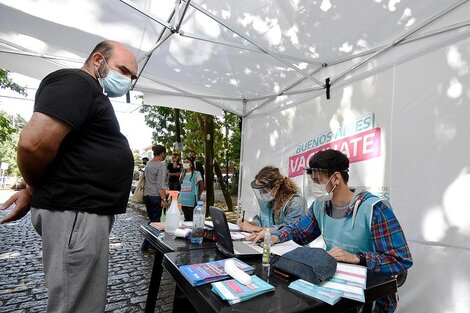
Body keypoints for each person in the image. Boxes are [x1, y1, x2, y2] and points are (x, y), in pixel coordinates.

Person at [0, 40, 137, 313]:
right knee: (76, 304)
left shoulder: (90, 92)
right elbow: (33, 144)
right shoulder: (76, 82)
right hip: (75, 212)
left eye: (132, 77)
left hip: (81, 213)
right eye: (123, 70)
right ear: (98, 60)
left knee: (82, 300)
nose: (128, 81)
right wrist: (31, 188)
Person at [248, 149, 413, 313]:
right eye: (312, 181)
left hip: (371, 297)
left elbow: (400, 260)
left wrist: (358, 258)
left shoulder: (374, 209)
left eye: (318, 180)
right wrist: (275, 236)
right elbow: (299, 231)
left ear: (336, 178)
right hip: (335, 287)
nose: (314, 187)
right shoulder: (320, 207)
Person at [237, 166, 307, 234]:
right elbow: (262, 220)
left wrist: (257, 229)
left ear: (276, 187)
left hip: (291, 245)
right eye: (259, 190)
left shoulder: (295, 203)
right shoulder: (271, 199)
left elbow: (289, 230)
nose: (261, 194)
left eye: (264, 190)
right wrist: (250, 224)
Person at [141, 144, 169, 252]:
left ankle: (145, 245)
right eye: (164, 153)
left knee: (152, 221)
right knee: (156, 222)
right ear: (162, 153)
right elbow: (160, 185)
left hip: (147, 195)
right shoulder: (161, 165)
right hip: (156, 196)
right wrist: (164, 199)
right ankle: (152, 247)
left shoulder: (148, 163)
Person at [179, 157, 204, 221]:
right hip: (183, 200)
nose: (185, 163)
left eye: (187, 162)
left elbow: (201, 185)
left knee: (192, 218)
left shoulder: (196, 173)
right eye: (184, 162)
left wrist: (198, 195)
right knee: (186, 218)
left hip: (192, 200)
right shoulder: (182, 174)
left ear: (191, 164)